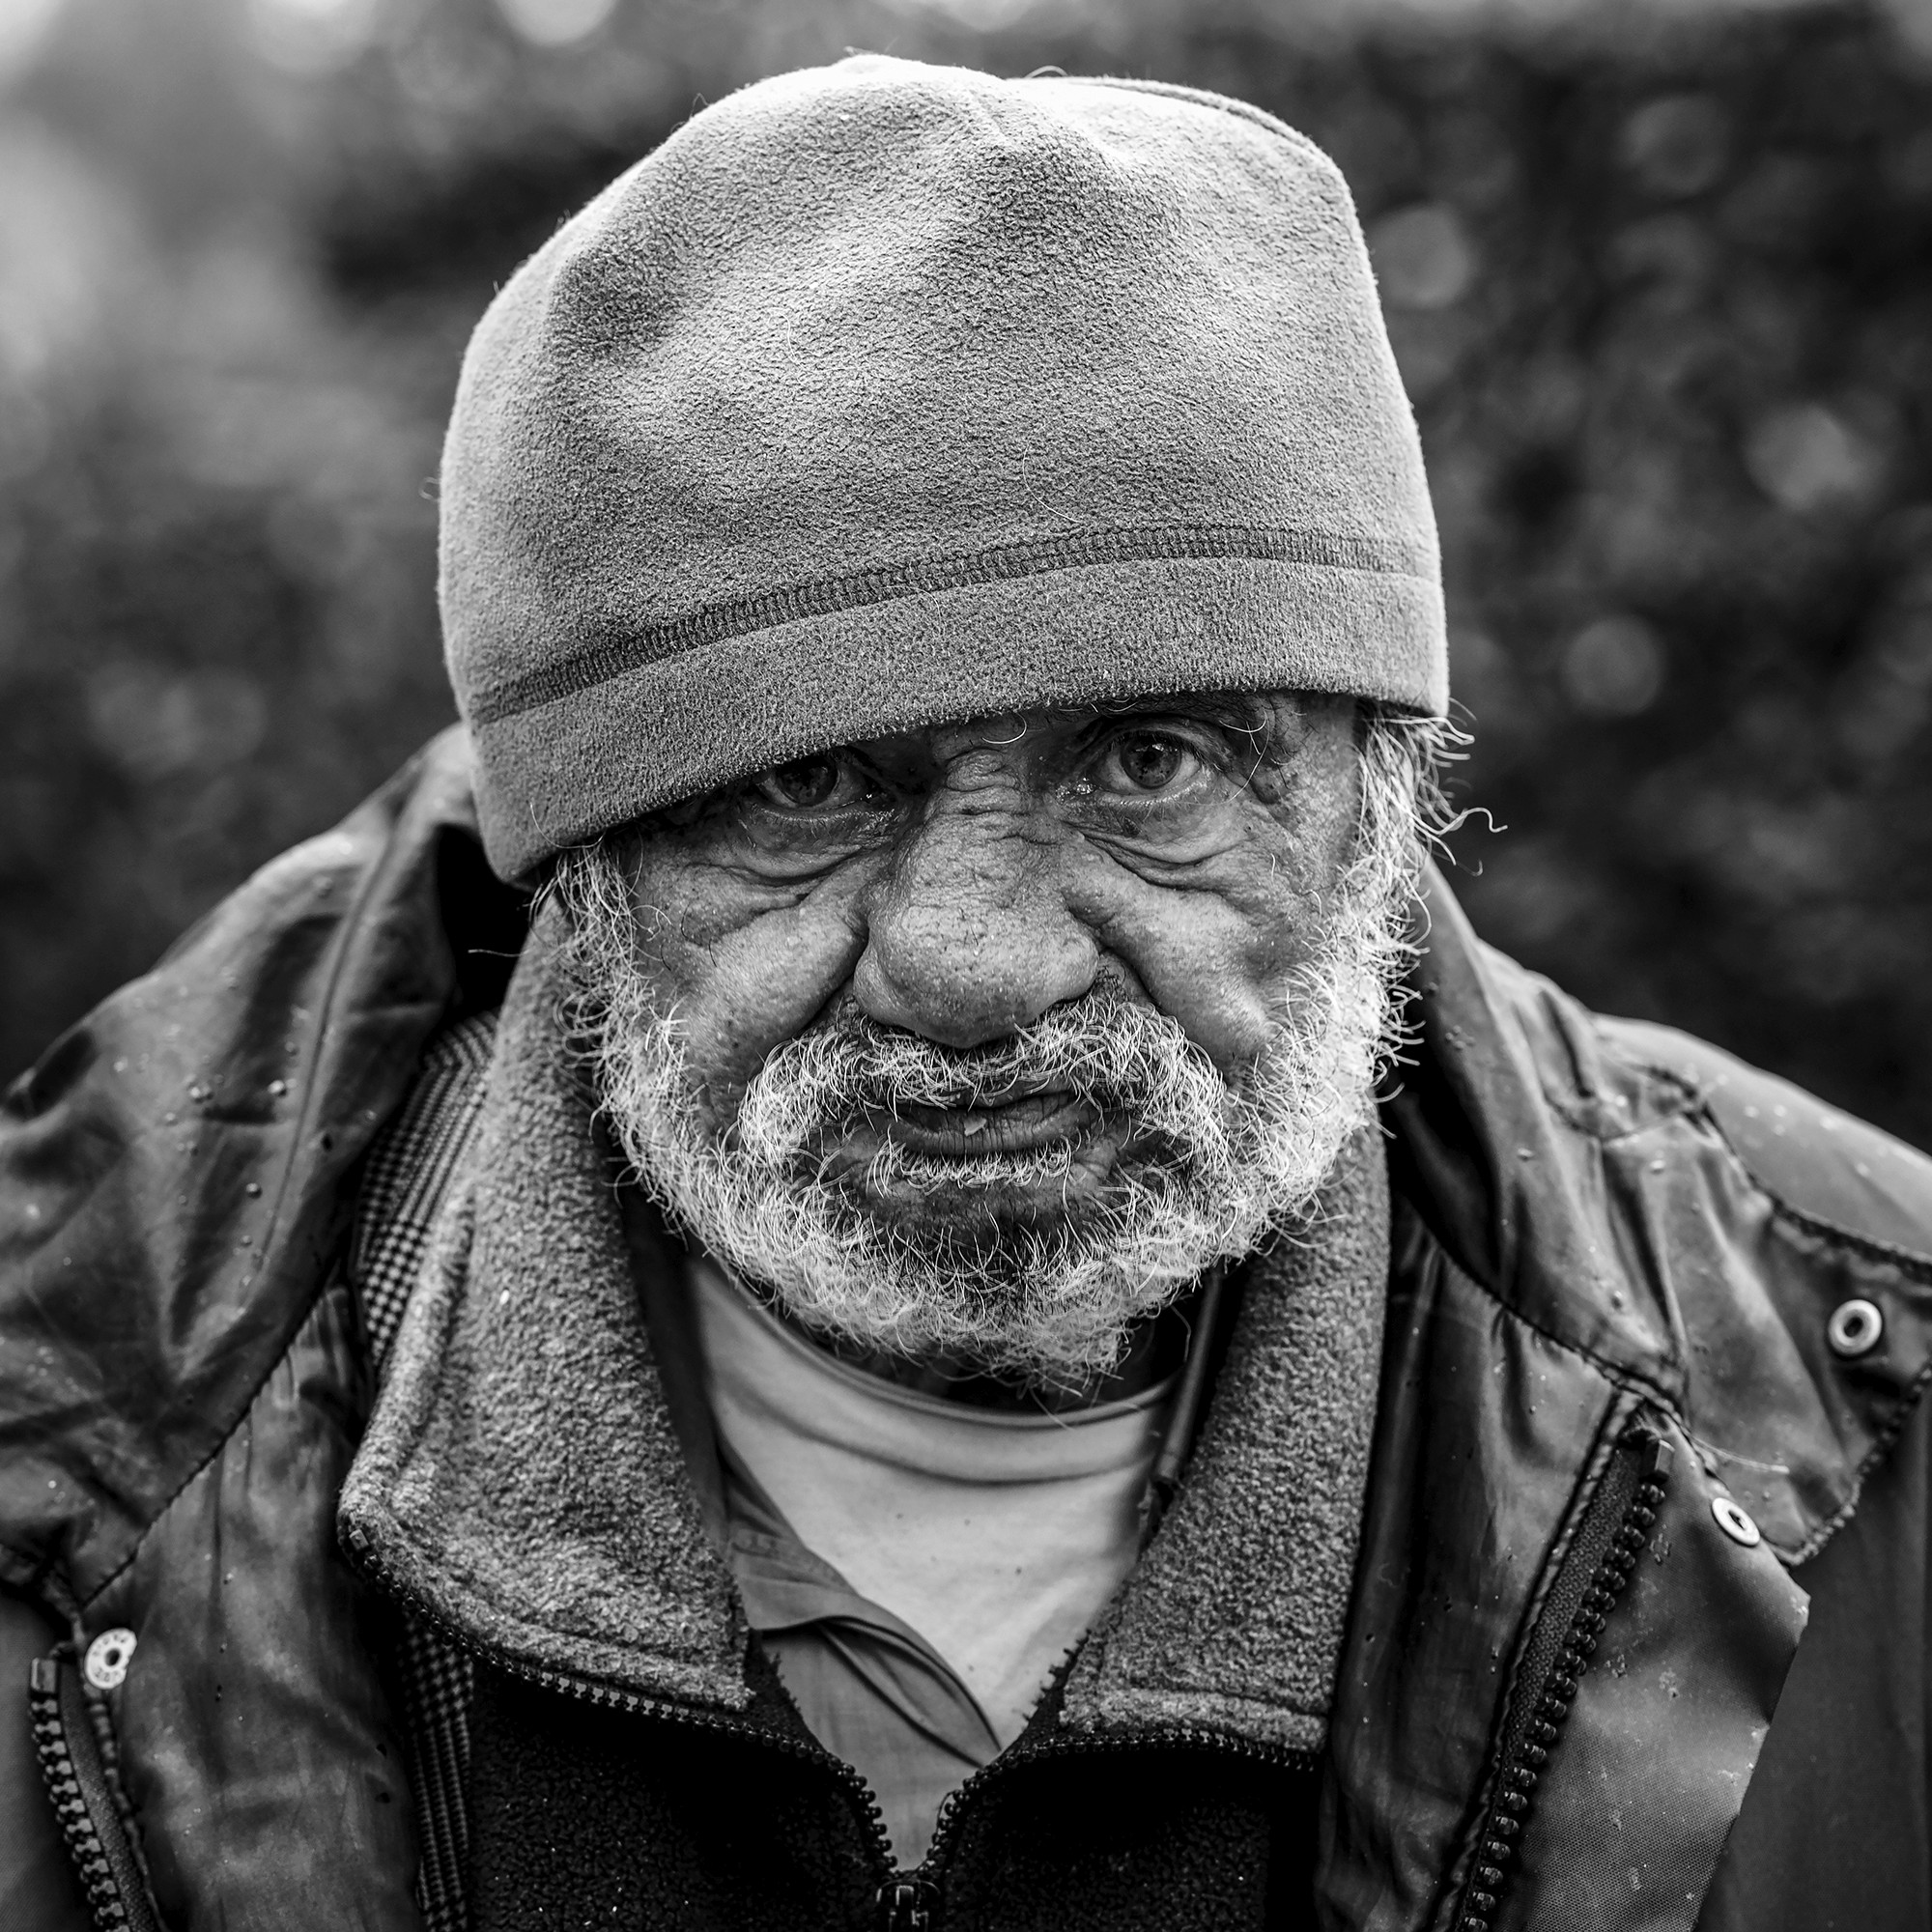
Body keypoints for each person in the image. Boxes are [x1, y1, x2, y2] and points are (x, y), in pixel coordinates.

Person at [2, 53, 1928, 1932]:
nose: (977, 966)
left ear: (1375, 799)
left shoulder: (1874, 1421)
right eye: (799, 782)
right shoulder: (69, 1456)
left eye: (1150, 760)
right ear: (576, 865)